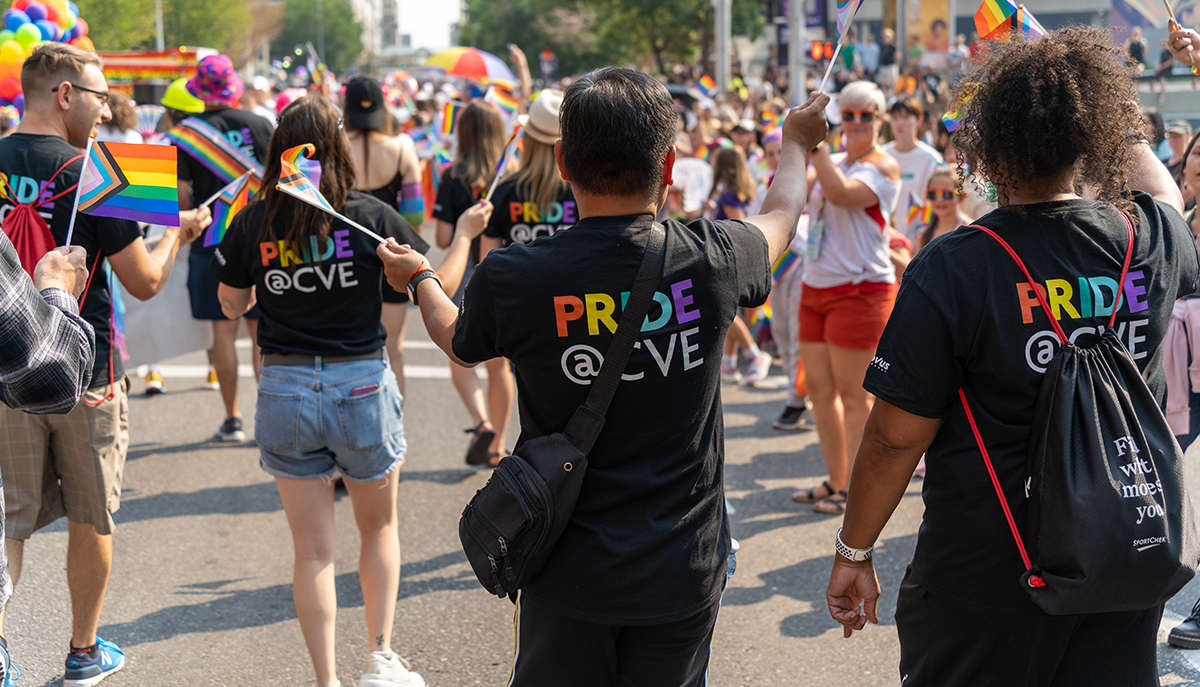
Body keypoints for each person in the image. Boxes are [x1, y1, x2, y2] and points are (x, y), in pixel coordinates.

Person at [378, 65, 830, 687]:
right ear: (670, 166)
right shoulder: (712, 259)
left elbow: (458, 341)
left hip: (566, 572)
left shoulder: (516, 275)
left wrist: (422, 278)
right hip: (682, 567)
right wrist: (796, 144)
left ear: (563, 163)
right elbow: (782, 212)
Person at [825, 27, 1198, 684]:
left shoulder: (953, 268)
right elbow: (1166, 194)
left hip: (990, 570)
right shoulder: (1147, 240)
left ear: (988, 145)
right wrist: (1123, 126)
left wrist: (854, 548)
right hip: (1124, 550)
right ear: (1095, 137)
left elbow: (893, 438)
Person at [0, 43, 210, 687]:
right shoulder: (112, 168)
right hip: (84, 367)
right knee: (92, 513)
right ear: (64, 94)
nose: (106, 110)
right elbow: (144, 282)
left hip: (5, 367)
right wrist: (179, 229)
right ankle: (84, 653)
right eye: (97, 96)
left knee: (8, 516)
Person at [211, 95, 432, 687]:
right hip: (359, 383)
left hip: (283, 388)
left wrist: (272, 282)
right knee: (378, 530)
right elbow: (430, 280)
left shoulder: (255, 221)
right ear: (334, 149)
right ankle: (380, 658)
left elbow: (230, 305)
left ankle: (326, 681)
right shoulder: (366, 216)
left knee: (312, 552)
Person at [791, 80, 901, 515]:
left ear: (879, 118)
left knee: (856, 396)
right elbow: (796, 186)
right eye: (848, 115)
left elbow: (839, 194)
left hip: (860, 291)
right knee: (819, 390)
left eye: (865, 115)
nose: (856, 123)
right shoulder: (832, 158)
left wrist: (814, 144)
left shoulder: (884, 165)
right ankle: (836, 480)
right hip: (815, 284)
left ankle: (856, 490)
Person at [0, 236, 94, 685]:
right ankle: (85, 650)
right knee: (91, 515)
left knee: (17, 522)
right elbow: (54, 371)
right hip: (89, 388)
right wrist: (57, 286)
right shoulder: (85, 176)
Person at [176, 54, 274, 442]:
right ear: (233, 86)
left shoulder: (185, 134)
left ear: (199, 92)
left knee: (223, 332)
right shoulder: (262, 124)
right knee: (261, 332)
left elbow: (183, 196)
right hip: (261, 237)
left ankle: (232, 418)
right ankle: (266, 418)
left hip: (211, 242)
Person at [432, 100, 515, 466]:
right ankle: (497, 444)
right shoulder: (512, 174)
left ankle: (480, 421)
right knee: (501, 366)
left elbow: (442, 236)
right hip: (508, 274)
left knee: (460, 354)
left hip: (466, 275)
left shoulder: (452, 177)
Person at [343, 75, 426, 398]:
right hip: (392, 253)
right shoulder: (403, 148)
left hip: (345, 252)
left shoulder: (334, 148)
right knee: (393, 346)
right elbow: (415, 216)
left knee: (350, 343)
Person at [710, 146, 775, 385]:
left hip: (729, 257)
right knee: (731, 311)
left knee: (725, 311)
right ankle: (729, 364)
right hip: (731, 255)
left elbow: (738, 224)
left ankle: (754, 354)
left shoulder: (729, 194)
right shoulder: (736, 191)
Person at [760, 128, 811, 430]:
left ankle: (797, 398)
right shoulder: (760, 188)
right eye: (771, 154)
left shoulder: (805, 182)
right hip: (775, 270)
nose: (777, 159)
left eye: (783, 152)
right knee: (781, 332)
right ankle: (800, 391)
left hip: (800, 265)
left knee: (797, 335)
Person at [482, 89, 576, 250]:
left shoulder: (503, 190)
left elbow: (487, 262)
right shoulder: (583, 192)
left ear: (527, 138)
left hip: (514, 275)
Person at [881, 96, 943, 240]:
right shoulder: (881, 156)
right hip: (885, 241)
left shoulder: (932, 159)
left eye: (906, 117)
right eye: (895, 118)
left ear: (919, 120)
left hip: (921, 243)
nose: (899, 123)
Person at [914, 164, 968, 252]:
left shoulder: (970, 230)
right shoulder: (924, 235)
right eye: (932, 194)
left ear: (962, 196)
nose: (939, 200)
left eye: (947, 194)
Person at [878, 29, 899, 93]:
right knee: (883, 82)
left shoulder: (892, 47)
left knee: (893, 82)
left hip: (890, 66)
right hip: (883, 66)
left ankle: (894, 94)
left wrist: (895, 64)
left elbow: (897, 56)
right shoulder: (882, 46)